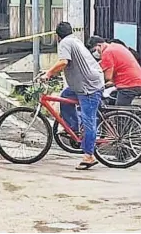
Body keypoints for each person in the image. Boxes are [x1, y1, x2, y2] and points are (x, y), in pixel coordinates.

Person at [42, 22, 104, 170]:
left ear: (57, 36)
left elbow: (64, 62)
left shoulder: (65, 43)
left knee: (88, 120)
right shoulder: (74, 40)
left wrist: (49, 73)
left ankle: (89, 156)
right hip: (84, 84)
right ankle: (73, 128)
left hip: (88, 87)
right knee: (65, 97)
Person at [86, 36, 141, 106]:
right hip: (137, 82)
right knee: (110, 101)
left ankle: (123, 117)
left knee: (120, 110)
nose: (94, 53)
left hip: (129, 85)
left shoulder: (107, 52)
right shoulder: (115, 46)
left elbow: (107, 77)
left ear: (99, 45)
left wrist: (93, 83)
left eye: (94, 50)